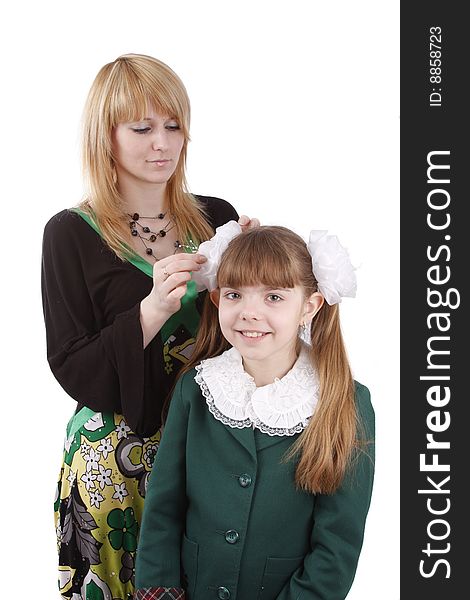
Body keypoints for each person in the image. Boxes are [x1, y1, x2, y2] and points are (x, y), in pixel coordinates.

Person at [41, 53, 258, 600]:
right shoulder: (69, 233)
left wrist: (259, 267)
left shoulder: (215, 216)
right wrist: (151, 310)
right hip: (114, 463)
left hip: (212, 447)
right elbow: (71, 365)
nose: (162, 142)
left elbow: (250, 333)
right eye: (142, 128)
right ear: (105, 135)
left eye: (173, 126)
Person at [134, 223, 375, 600]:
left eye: (274, 297)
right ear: (216, 300)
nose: (249, 312)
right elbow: (163, 511)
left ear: (308, 307)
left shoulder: (345, 402)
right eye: (235, 295)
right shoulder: (196, 389)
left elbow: (337, 548)